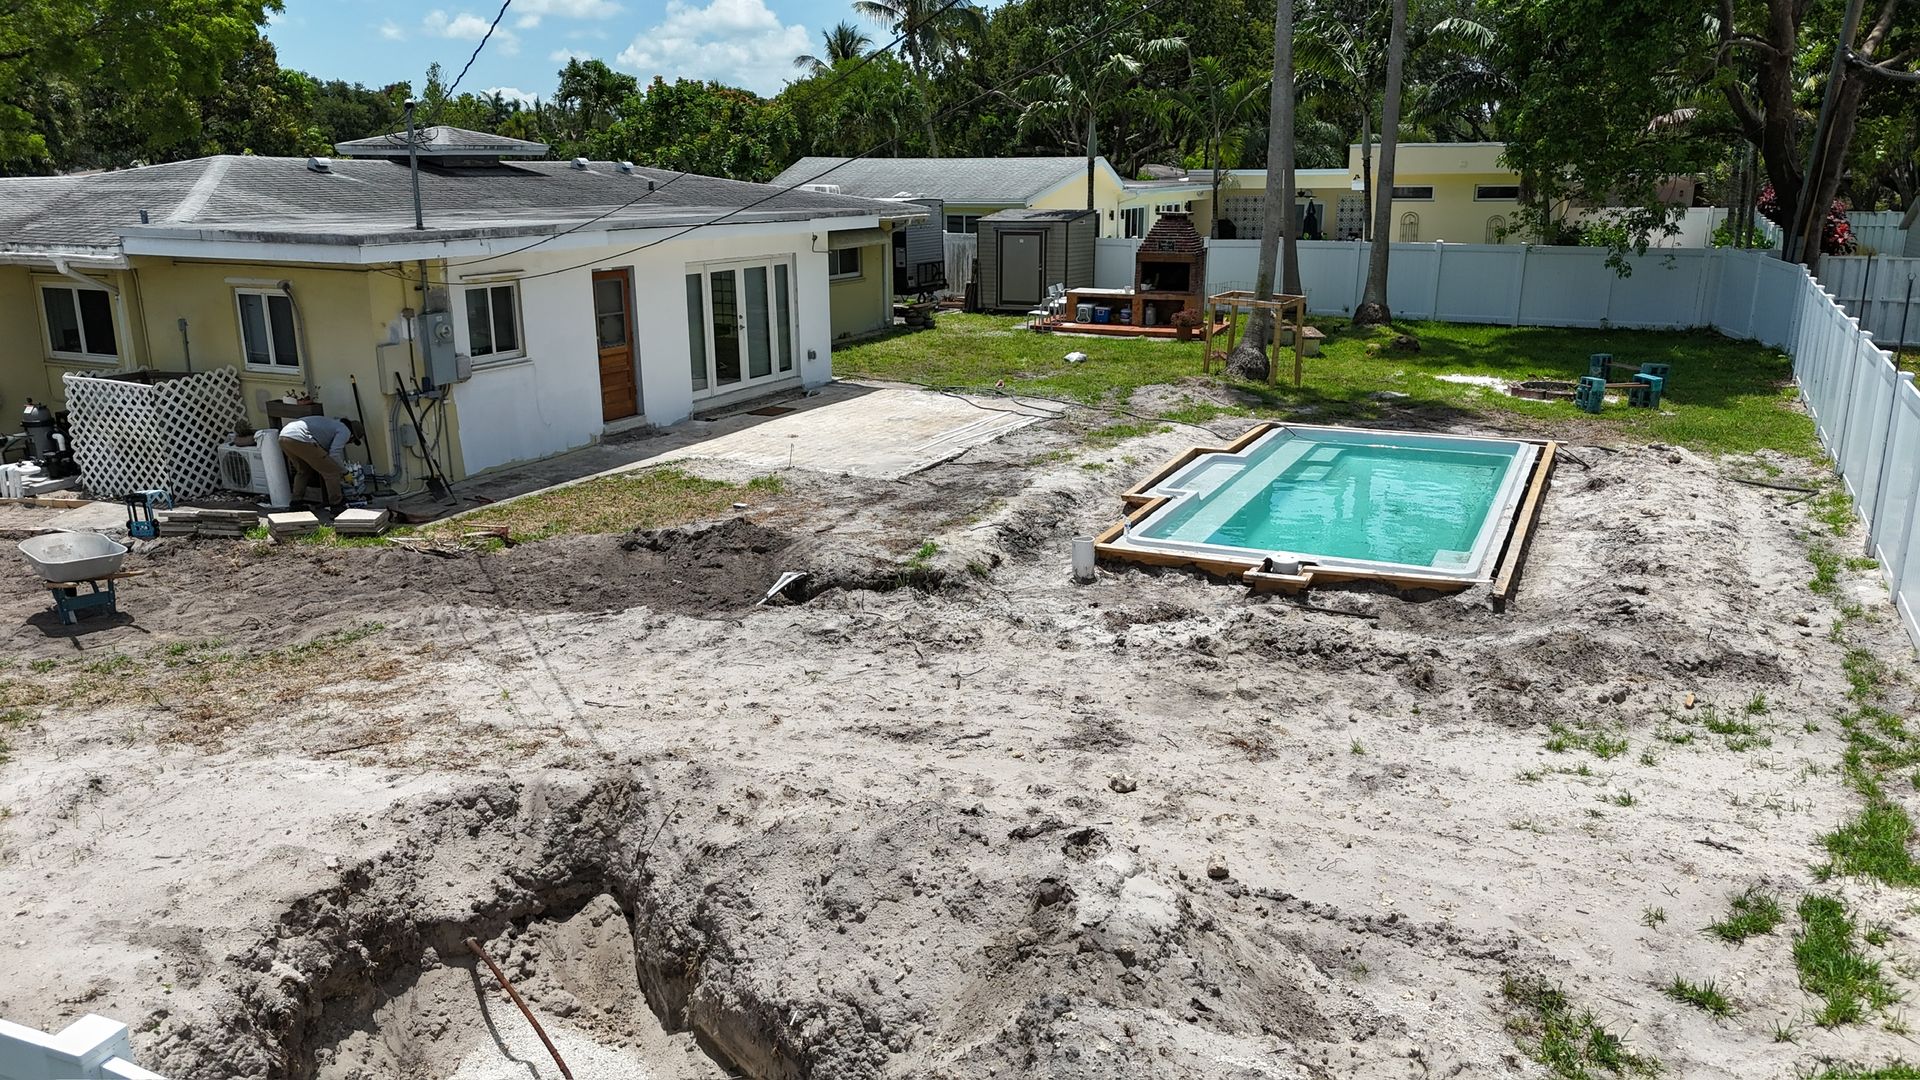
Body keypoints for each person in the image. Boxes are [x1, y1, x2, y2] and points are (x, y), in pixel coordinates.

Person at [278, 415, 363, 509]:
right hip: (300, 437)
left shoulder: (333, 424)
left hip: (284, 436)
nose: (349, 442)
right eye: (352, 441)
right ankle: (337, 506)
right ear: (352, 435)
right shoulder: (345, 431)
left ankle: (296, 504)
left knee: (303, 471)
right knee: (332, 472)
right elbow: (334, 454)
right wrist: (345, 472)